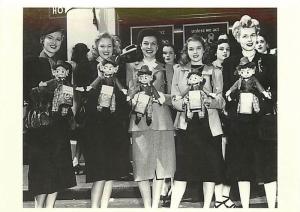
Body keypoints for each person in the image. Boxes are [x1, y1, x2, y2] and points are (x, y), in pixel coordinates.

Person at [222, 15, 277, 208]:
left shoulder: (270, 60)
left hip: (264, 123)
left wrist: (266, 98)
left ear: (257, 36)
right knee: (242, 168)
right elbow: (226, 93)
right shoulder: (229, 63)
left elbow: (277, 90)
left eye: (252, 35)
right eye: (244, 36)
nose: (249, 39)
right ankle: (245, 207)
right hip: (239, 125)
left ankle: (272, 207)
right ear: (237, 38)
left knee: (268, 168)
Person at [23, 23, 76, 208]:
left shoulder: (65, 66)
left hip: (59, 126)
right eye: (50, 38)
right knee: (41, 170)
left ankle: (50, 208)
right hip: (40, 126)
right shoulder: (30, 62)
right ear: (42, 40)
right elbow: (27, 93)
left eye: (58, 39)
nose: (54, 42)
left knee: (57, 171)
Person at [170, 34, 225, 208]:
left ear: (204, 49)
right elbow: (174, 98)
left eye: (198, 48)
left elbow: (221, 100)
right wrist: (182, 103)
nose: (195, 52)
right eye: (191, 49)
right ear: (187, 51)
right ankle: (172, 207)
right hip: (187, 126)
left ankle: (207, 207)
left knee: (210, 170)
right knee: (182, 172)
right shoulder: (179, 70)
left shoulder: (215, 70)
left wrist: (212, 102)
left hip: (209, 127)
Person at [126, 28, 176, 208]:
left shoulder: (167, 67)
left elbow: (173, 96)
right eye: (146, 43)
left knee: (162, 165)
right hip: (139, 121)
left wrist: (163, 97)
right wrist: (132, 99)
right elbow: (129, 92)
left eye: (153, 43)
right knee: (141, 165)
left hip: (162, 120)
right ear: (140, 45)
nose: (149, 47)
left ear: (158, 46)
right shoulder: (131, 67)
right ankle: (147, 206)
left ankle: (155, 206)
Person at [79, 32, 129, 208]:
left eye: (109, 46)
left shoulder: (119, 68)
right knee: (99, 172)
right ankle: (94, 208)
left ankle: (104, 207)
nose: (106, 50)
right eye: (102, 46)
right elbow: (82, 95)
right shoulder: (86, 67)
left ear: (114, 48)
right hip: (94, 127)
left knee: (111, 172)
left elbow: (125, 98)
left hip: (114, 127)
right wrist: (99, 77)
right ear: (96, 48)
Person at [159, 42, 178, 207]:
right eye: (164, 53)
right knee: (166, 151)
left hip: (177, 112)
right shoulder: (160, 70)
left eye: (170, 53)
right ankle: (166, 185)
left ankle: (173, 185)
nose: (167, 56)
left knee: (176, 151)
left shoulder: (178, 69)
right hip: (164, 112)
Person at [71, 43, 92, 175]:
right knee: (85, 136)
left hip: (77, 103)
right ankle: (82, 162)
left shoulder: (73, 66)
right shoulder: (87, 65)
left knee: (78, 136)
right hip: (86, 104)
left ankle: (75, 161)